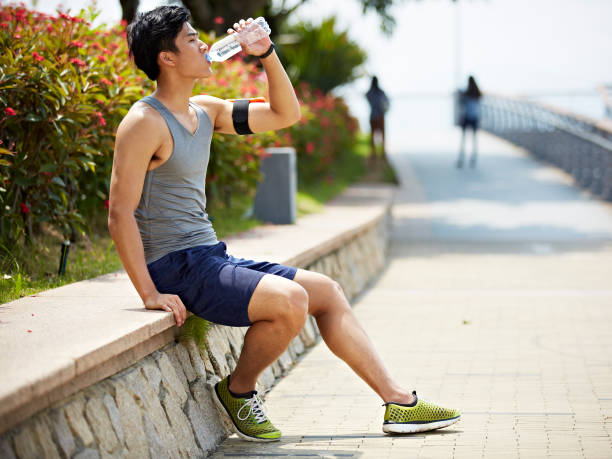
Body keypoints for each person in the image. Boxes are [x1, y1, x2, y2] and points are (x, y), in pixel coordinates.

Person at [109, 5, 460, 442]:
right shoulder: (144, 122)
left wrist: (266, 52)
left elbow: (284, 115)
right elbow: (119, 211)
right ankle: (239, 391)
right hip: (175, 266)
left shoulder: (205, 112)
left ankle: (397, 402)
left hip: (208, 257)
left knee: (327, 293)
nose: (204, 44)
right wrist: (149, 293)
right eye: (191, 39)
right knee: (292, 300)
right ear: (167, 58)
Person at [456, 75, 482, 168]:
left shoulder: (466, 93)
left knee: (464, 138)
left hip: (467, 117)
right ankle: (474, 156)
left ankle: (461, 157)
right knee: (474, 138)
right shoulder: (477, 93)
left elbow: (461, 104)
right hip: (475, 117)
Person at [365, 76, 390, 162]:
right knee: (382, 135)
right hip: (380, 116)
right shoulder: (381, 92)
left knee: (372, 135)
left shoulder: (369, 93)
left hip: (373, 116)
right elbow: (386, 102)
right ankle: (382, 153)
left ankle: (374, 154)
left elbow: (366, 97)